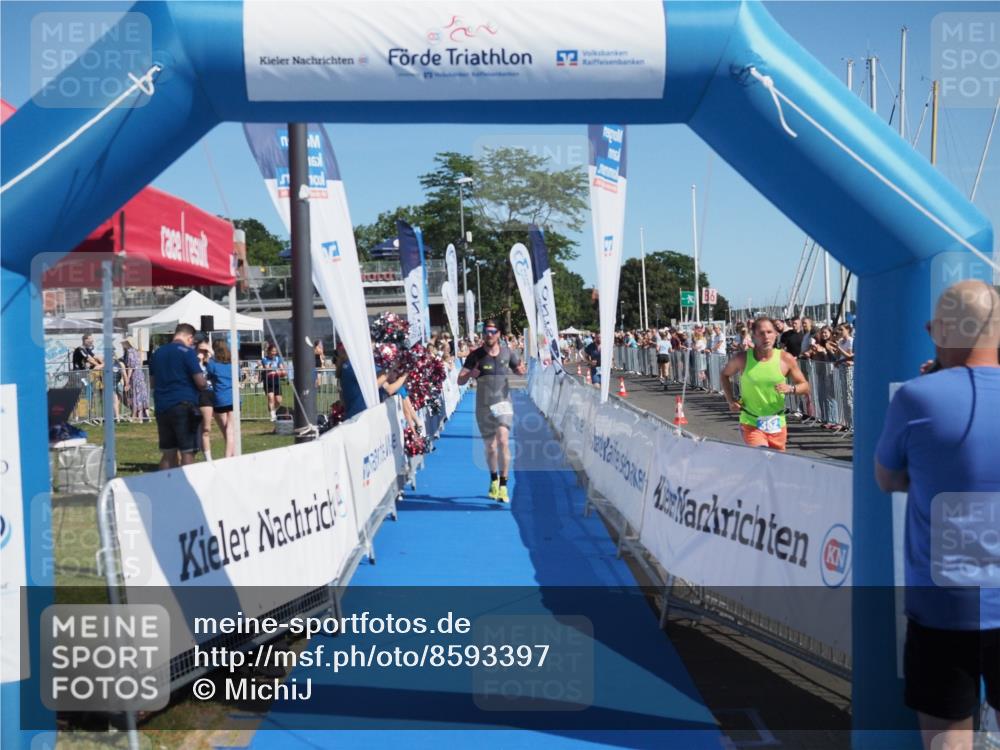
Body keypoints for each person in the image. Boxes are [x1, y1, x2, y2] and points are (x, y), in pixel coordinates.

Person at [875, 280, 1000, 750]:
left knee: (948, 735)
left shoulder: (917, 398)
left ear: (944, 329)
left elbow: (886, 479)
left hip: (944, 607)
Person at [457, 320, 526, 503]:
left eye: (493, 331)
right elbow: (459, 381)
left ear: (499, 334)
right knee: (490, 447)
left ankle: (504, 485)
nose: (489, 334)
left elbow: (520, 371)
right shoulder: (475, 356)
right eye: (487, 331)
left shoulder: (507, 352)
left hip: (503, 402)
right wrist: (470, 374)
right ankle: (494, 479)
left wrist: (521, 368)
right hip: (483, 404)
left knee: (503, 440)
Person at [720, 316, 810, 452]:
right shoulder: (742, 358)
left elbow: (805, 386)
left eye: (769, 332)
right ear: (754, 336)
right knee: (761, 457)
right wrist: (730, 400)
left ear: (775, 335)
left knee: (776, 466)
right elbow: (724, 374)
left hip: (777, 422)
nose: (766, 337)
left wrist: (791, 388)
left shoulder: (786, 358)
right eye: (761, 333)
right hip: (751, 421)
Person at [149, 323, 209, 469]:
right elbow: (200, 382)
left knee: (168, 453)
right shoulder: (187, 352)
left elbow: (152, 382)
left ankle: (165, 485)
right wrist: (206, 383)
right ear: (189, 337)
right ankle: (186, 486)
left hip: (162, 406)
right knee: (187, 452)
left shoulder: (157, 353)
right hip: (184, 405)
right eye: (192, 341)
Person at [207, 339, 236, 458]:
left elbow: (208, 375)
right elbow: (238, 376)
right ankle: (230, 456)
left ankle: (230, 456)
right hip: (233, 397)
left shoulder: (212, 363)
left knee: (226, 429)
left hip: (220, 398)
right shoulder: (232, 363)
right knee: (230, 429)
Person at [72, 334, 103, 420]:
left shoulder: (87, 349)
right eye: (91, 340)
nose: (92, 342)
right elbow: (89, 359)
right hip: (77, 374)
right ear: (85, 340)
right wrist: (100, 365)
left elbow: (95, 357)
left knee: (89, 391)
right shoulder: (80, 349)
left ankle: (87, 414)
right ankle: (76, 415)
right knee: (77, 394)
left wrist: (102, 363)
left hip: (84, 375)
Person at [195, 339, 216, 461]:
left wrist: (211, 353)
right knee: (201, 427)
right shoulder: (193, 363)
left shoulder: (210, 364)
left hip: (210, 395)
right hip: (198, 395)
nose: (203, 353)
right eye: (200, 350)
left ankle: (207, 457)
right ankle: (204, 456)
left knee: (205, 428)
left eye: (205, 350)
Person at [122, 338, 149, 422]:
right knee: (142, 395)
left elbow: (130, 367)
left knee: (136, 395)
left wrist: (127, 380)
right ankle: (144, 415)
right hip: (140, 375)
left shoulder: (130, 352)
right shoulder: (136, 351)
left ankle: (136, 416)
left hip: (135, 376)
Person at [261, 343, 286, 421]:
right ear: (268, 351)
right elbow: (267, 368)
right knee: (271, 398)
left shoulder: (278, 359)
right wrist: (277, 370)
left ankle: (273, 410)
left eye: (275, 351)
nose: (274, 353)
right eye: (272, 351)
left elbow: (282, 370)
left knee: (278, 400)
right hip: (268, 381)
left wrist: (278, 371)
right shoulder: (264, 359)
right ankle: (272, 415)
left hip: (276, 380)